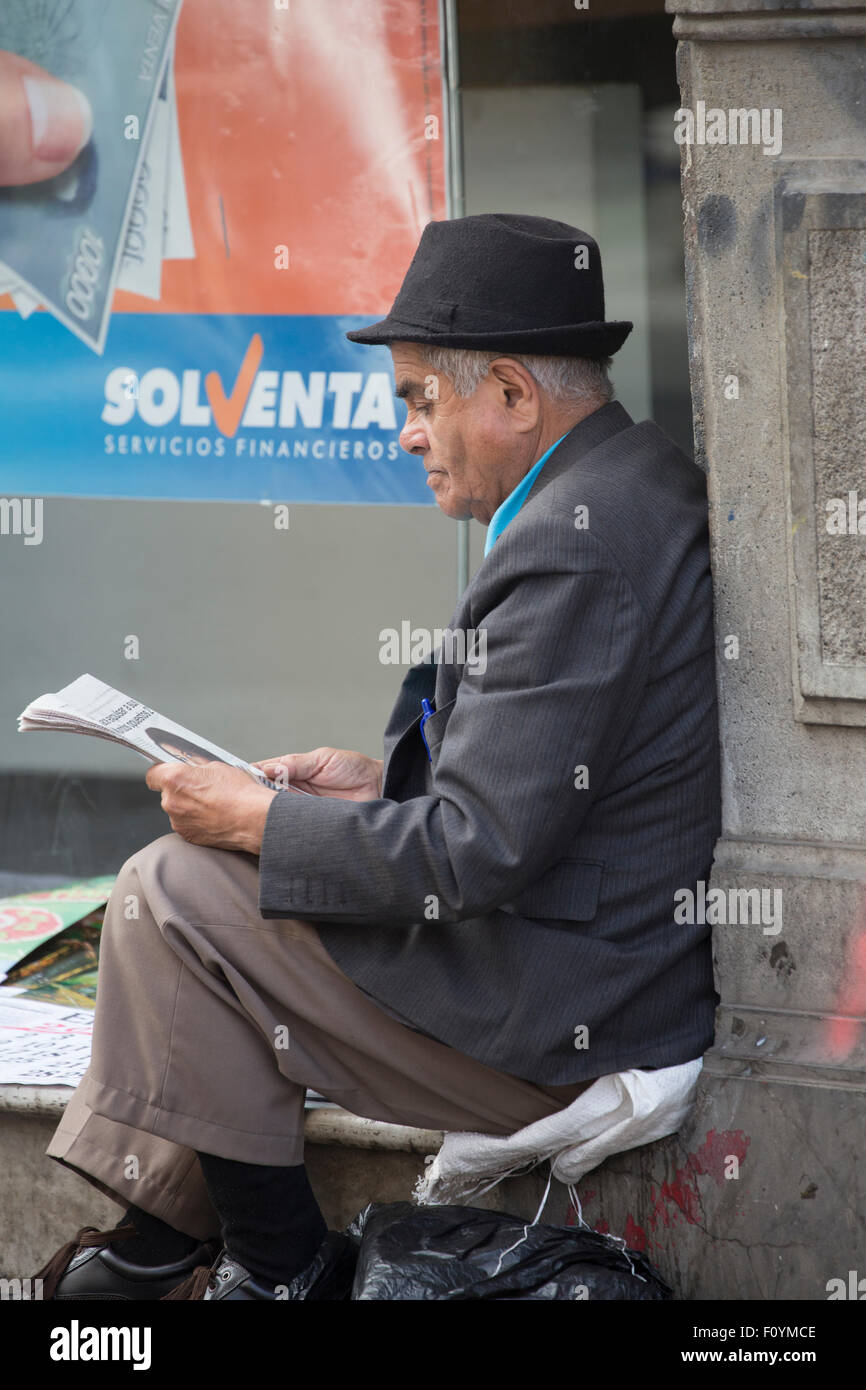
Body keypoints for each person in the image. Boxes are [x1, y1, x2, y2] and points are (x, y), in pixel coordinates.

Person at [34, 213, 721, 1301]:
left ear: (508, 392)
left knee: (170, 892)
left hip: (561, 1010)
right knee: (209, 896)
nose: (404, 431)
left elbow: (471, 855)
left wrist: (258, 822)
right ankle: (162, 1246)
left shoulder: (570, 546)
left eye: (417, 397)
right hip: (585, 958)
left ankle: (269, 1267)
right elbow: (532, 789)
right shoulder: (621, 484)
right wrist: (378, 782)